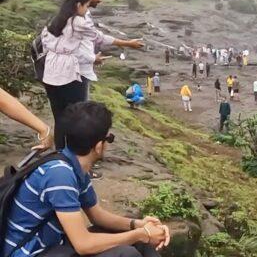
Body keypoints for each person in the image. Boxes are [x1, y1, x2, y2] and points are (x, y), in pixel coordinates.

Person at [1, 101, 170, 257]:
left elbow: (97, 216)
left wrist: (138, 225)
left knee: (138, 240)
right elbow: (83, 244)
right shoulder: (60, 175)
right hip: (31, 252)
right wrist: (143, 234)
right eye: (109, 138)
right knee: (126, 253)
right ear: (98, 146)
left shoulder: (73, 165)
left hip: (53, 245)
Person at [41, 0, 143, 150]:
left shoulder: (55, 21)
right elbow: (98, 37)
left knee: (60, 118)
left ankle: (60, 153)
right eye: (86, 6)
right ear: (79, 5)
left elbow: (46, 43)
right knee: (79, 117)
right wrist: (127, 43)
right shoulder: (78, 22)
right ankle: (79, 156)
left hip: (50, 73)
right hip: (69, 74)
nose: (87, 10)